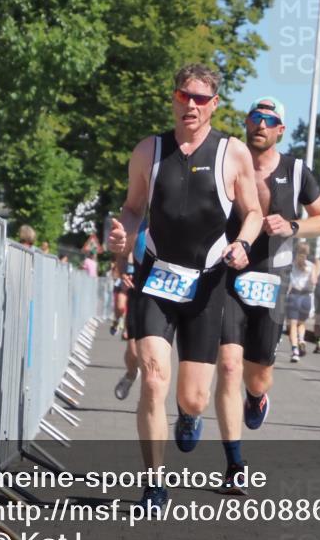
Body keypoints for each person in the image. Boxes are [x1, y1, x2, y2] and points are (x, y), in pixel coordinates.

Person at [106, 63, 261, 515]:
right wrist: (123, 235)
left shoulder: (232, 154)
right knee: (154, 378)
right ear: (173, 99)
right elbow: (133, 209)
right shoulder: (148, 151)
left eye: (199, 98)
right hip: (157, 276)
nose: (189, 105)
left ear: (214, 104)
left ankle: (190, 415)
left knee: (192, 396)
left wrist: (243, 243)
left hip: (207, 284)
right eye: (182, 96)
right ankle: (154, 486)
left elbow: (251, 211)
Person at [216, 96, 320, 493]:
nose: (260, 125)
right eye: (255, 117)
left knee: (258, 372)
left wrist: (293, 226)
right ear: (247, 123)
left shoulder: (297, 171)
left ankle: (256, 398)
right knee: (228, 364)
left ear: (280, 129)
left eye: (270, 120)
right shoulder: (228, 160)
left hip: (273, 278)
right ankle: (235, 463)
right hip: (229, 274)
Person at [114, 219, 149, 399]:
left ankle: (186, 408)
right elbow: (121, 255)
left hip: (173, 295)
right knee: (134, 349)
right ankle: (130, 374)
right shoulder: (138, 225)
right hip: (138, 291)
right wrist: (123, 273)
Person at [286, 243, 318, 362]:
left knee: (292, 325)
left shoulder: (291, 265)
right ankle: (302, 340)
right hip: (306, 297)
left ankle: (295, 351)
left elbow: (287, 282)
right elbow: (314, 281)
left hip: (294, 295)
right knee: (301, 323)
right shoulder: (311, 266)